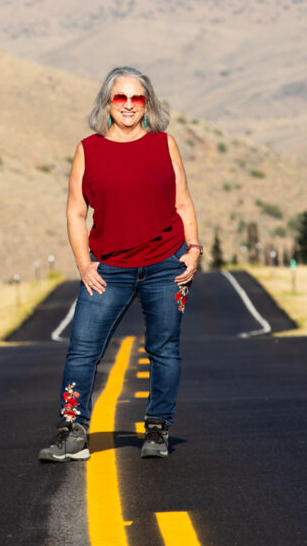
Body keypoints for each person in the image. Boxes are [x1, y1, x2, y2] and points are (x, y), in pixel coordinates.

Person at [38, 65, 202, 462]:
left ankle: (158, 429)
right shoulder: (88, 149)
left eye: (137, 98)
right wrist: (84, 264)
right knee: (82, 350)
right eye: (120, 97)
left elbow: (182, 201)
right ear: (107, 103)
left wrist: (194, 248)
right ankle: (73, 433)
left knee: (164, 349)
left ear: (148, 104)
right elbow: (76, 213)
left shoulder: (165, 144)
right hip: (108, 269)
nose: (128, 105)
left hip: (166, 265)